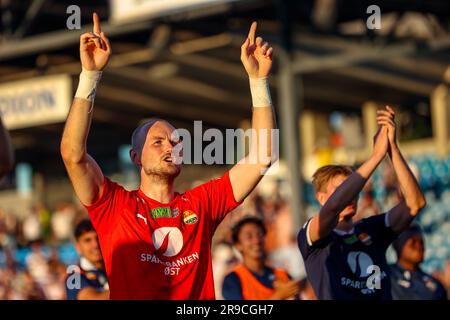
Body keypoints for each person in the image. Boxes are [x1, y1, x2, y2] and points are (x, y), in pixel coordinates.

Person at [60, 13, 277, 299]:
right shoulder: (114, 206)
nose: (169, 147)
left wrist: (258, 81)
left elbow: (263, 156)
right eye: (158, 142)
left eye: (175, 141)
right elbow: (73, 154)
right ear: (136, 157)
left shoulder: (202, 204)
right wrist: (89, 76)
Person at [297, 106, 426, 300]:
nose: (349, 196)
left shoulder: (372, 229)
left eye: (353, 189)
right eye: (341, 189)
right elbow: (333, 208)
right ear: (321, 198)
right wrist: (375, 157)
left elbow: (415, 203)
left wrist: (392, 149)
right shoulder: (315, 238)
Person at [223, 216, 299, 300]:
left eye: (259, 234)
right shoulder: (233, 280)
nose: (256, 241)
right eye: (249, 237)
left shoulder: (283, 275)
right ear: (238, 245)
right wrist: (278, 296)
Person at [390, 224, 447, 300]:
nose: (419, 247)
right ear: (399, 247)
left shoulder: (435, 284)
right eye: (413, 243)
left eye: (421, 243)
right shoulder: (386, 276)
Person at [66, 219, 109, 300]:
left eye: (98, 238)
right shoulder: (74, 275)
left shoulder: (113, 267)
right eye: (87, 240)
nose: (95, 245)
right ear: (78, 247)